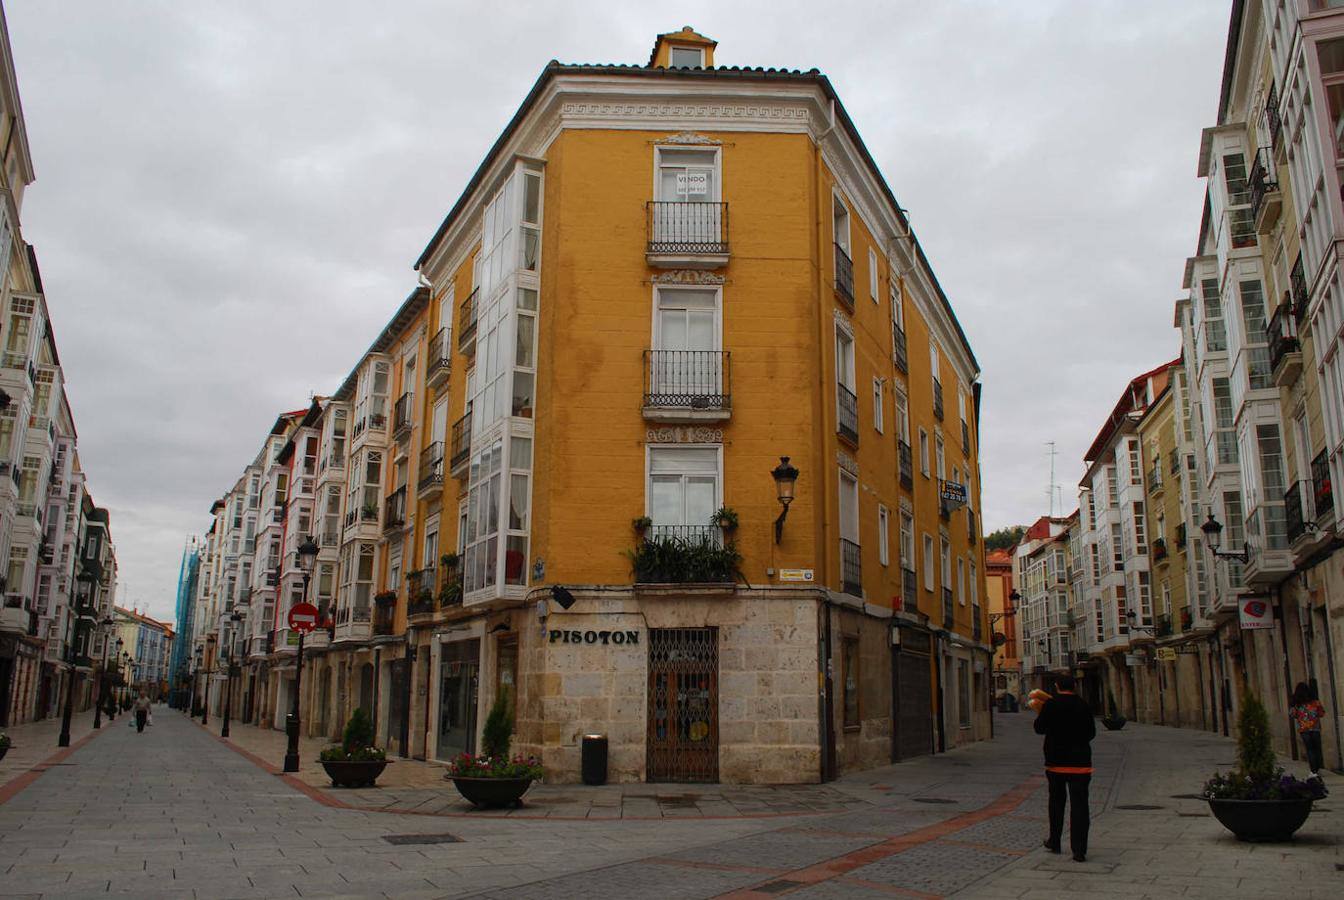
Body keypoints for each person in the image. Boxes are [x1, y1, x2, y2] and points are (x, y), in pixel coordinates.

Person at [1033, 674, 1096, 862]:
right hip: (1080, 764)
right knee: (1080, 806)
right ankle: (1079, 849)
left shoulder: (1050, 705)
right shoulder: (1083, 705)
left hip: (1056, 763)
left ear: (1056, 686)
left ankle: (1055, 840)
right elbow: (1091, 733)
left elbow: (1039, 728)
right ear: (1075, 686)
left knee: (1056, 803)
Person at [1289, 682, 1326, 777]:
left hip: (1304, 729)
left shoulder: (1297, 703)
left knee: (1309, 749)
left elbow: (1293, 714)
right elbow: (1322, 713)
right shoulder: (1315, 702)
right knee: (1317, 749)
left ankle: (1313, 770)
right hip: (1315, 728)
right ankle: (1317, 768)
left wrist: (1300, 716)